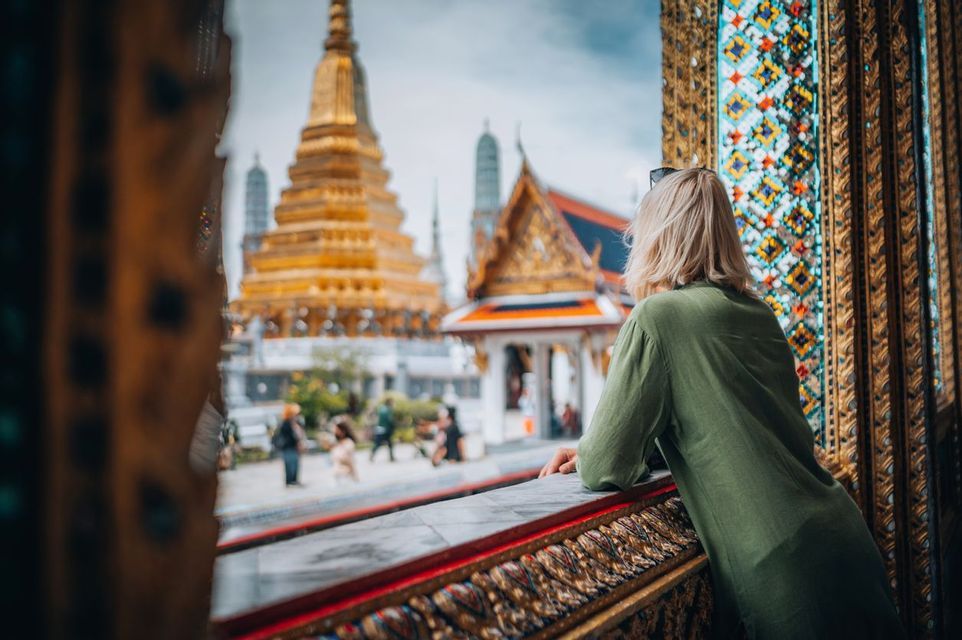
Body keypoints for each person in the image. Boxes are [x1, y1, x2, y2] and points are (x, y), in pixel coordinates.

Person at [540, 168, 904, 639]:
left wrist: (587, 450)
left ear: (657, 237)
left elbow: (607, 464)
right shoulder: (760, 314)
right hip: (845, 540)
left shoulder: (657, 318)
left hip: (785, 573)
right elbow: (728, 417)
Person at [275, 403, 305, 487]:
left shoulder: (296, 422)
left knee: (295, 464)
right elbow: (287, 436)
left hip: (294, 447)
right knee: (289, 464)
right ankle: (289, 481)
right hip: (287, 447)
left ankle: (294, 480)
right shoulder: (285, 423)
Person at [329, 416, 358, 485]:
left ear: (343, 431)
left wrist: (354, 475)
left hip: (346, 476)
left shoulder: (349, 443)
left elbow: (349, 461)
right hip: (336, 476)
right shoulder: (336, 444)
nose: (335, 431)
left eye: (337, 429)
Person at [370, 397, 396, 462]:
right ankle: (391, 457)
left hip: (380, 428)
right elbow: (389, 420)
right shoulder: (387, 410)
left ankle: (391, 457)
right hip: (385, 429)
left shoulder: (381, 409)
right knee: (379, 443)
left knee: (383, 443)